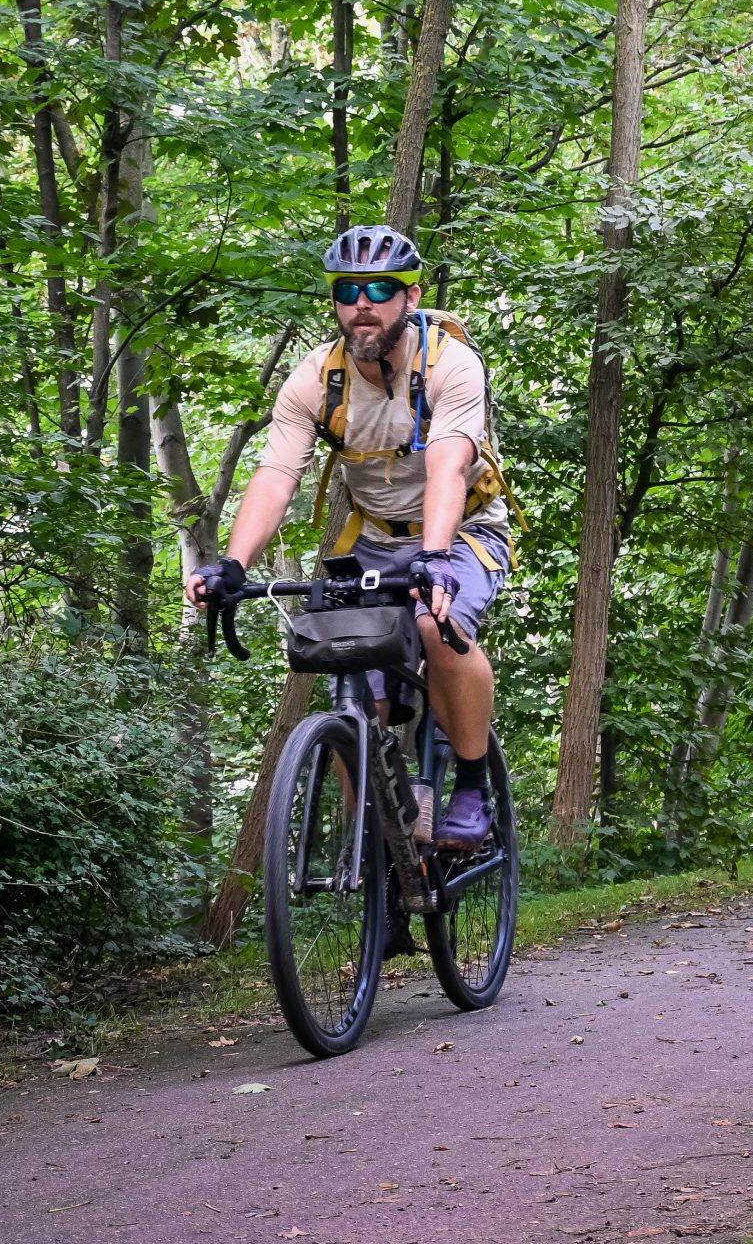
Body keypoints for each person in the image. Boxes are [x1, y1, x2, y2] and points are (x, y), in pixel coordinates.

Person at [186, 227, 514, 850]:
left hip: (463, 532)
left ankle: (473, 785)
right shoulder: (316, 379)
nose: (363, 304)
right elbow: (277, 474)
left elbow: (448, 465)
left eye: (380, 290)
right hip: (374, 541)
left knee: (435, 624)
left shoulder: (451, 364)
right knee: (351, 670)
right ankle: (380, 843)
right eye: (348, 291)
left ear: (410, 297)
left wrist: (436, 557)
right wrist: (232, 563)